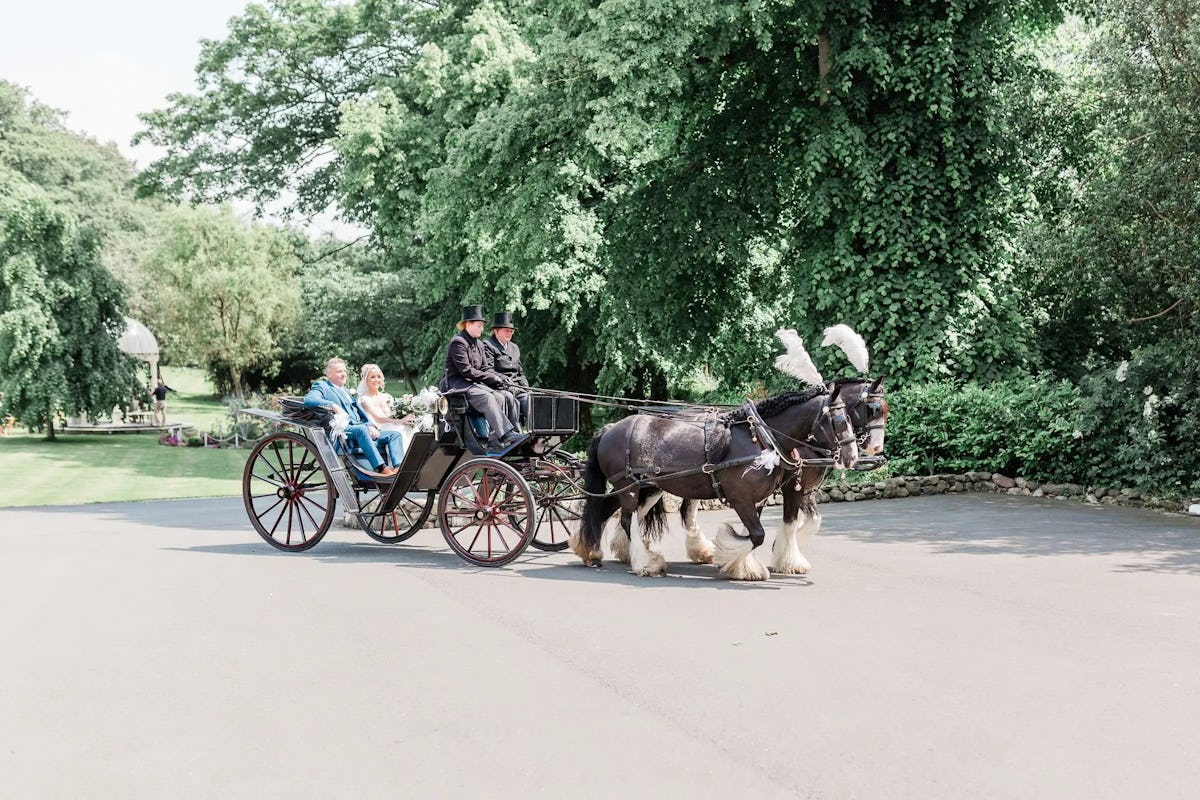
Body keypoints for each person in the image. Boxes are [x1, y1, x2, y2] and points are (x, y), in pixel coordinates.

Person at [439, 304, 523, 451]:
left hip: (473, 385)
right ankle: (506, 434)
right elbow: (466, 371)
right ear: (468, 324)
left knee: (501, 396)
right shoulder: (458, 342)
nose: (482, 329)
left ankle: (495, 438)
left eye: (482, 326)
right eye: (478, 326)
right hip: (458, 386)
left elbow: (485, 368)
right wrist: (492, 379)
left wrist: (501, 377)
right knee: (487, 397)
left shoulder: (479, 344)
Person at [303, 357, 401, 476]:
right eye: (339, 371)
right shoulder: (323, 386)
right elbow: (309, 399)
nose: (344, 374)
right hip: (343, 431)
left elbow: (360, 414)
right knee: (361, 429)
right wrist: (333, 405)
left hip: (360, 428)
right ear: (329, 375)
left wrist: (370, 425)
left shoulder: (347, 391)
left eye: (344, 371)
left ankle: (397, 468)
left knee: (394, 435)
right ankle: (382, 468)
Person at [483, 310, 530, 425]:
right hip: (500, 387)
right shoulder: (488, 345)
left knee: (530, 400)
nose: (509, 333)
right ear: (496, 330)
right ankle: (515, 433)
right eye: (506, 331)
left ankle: (538, 432)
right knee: (512, 400)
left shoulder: (515, 348)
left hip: (517, 387)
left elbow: (520, 372)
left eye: (511, 331)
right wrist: (504, 382)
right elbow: (489, 370)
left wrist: (526, 387)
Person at [356, 363, 415, 456]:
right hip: (378, 429)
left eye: (379, 377)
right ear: (366, 380)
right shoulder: (364, 399)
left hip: (391, 423)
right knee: (400, 430)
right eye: (372, 377)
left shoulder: (387, 397)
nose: (376, 380)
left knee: (412, 427)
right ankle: (402, 462)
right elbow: (378, 418)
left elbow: (394, 413)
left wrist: (405, 417)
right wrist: (399, 421)